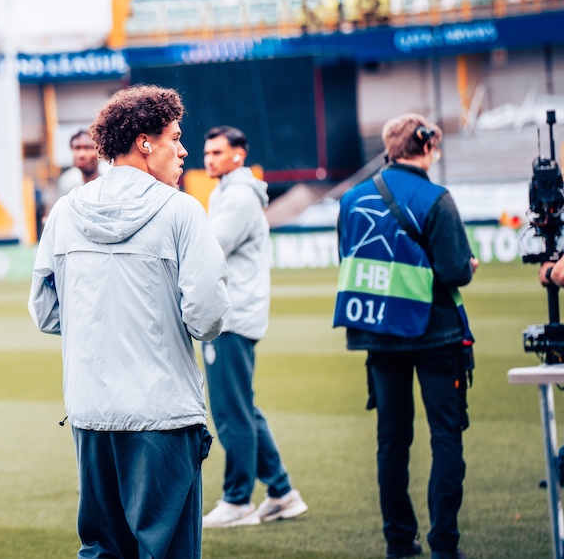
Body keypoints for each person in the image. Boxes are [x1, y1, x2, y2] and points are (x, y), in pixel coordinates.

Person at [29, 84, 229, 559]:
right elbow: (206, 316)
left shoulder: (65, 211)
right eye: (175, 138)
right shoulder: (182, 210)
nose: (183, 150)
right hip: (162, 413)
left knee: (102, 549)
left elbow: (45, 310)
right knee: (166, 549)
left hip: (90, 411)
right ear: (144, 143)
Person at [334, 114, 477, 559]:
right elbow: (454, 271)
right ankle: (444, 545)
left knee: (392, 442)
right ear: (427, 147)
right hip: (436, 333)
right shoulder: (437, 198)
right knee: (445, 437)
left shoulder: (351, 199)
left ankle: (399, 541)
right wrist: (467, 266)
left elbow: (348, 257)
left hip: (379, 331)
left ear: (389, 147)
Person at [199, 126, 308, 528]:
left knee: (231, 411)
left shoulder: (239, 197)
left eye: (217, 152)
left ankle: (238, 501)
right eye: (207, 152)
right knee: (242, 407)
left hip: (231, 316)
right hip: (235, 313)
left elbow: (208, 250)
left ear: (238, 155)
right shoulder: (228, 192)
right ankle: (282, 492)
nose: (208, 159)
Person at [57, 129, 104, 198]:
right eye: (77, 148)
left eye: (88, 148)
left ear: (100, 152)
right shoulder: (67, 183)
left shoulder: (108, 182)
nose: (81, 154)